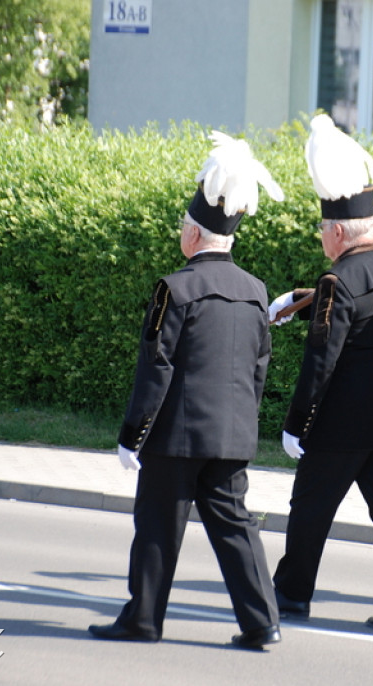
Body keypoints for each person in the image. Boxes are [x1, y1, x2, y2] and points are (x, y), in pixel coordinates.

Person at [88, 132, 285, 649]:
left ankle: (144, 619)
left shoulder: (174, 289)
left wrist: (132, 434)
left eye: (184, 225)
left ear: (195, 236)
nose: (182, 231)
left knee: (157, 526)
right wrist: (243, 421)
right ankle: (263, 621)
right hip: (231, 435)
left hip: (175, 439)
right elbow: (259, 367)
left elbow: (156, 369)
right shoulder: (256, 292)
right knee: (236, 528)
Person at [267, 113, 373, 633]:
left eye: (322, 232)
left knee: (310, 508)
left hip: (341, 421)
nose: (321, 240)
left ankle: (291, 595)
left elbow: (322, 359)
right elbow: (362, 303)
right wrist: (301, 299)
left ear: (337, 231)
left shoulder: (336, 277)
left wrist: (295, 423)